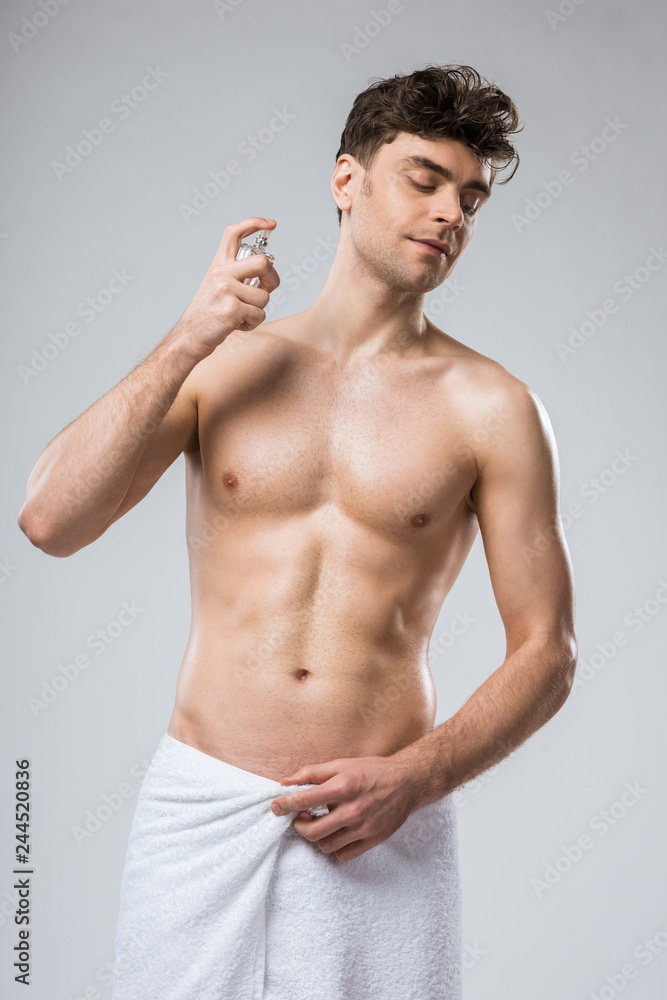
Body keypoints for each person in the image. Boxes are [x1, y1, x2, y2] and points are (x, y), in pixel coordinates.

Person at [18, 64, 577, 999]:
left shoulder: (494, 409)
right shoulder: (222, 364)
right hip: (202, 812)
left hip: (380, 826)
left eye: (469, 197)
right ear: (346, 181)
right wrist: (188, 338)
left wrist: (416, 780)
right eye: (423, 179)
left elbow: (547, 651)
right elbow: (50, 520)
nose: (450, 214)